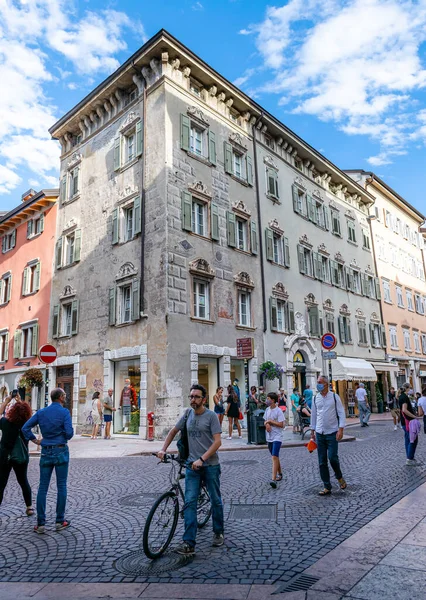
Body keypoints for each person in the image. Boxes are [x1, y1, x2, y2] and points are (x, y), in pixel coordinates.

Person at [157, 384, 224, 556]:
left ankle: (218, 531)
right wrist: (163, 449)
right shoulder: (187, 414)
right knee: (190, 503)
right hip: (192, 466)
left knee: (215, 499)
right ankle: (189, 543)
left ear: (204, 399)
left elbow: (217, 442)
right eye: (191, 396)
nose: (193, 400)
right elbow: (173, 431)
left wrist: (202, 459)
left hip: (210, 465)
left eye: (196, 397)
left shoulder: (211, 417)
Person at [22, 388, 74, 534]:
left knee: (43, 487)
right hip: (61, 450)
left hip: (46, 451)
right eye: (64, 395)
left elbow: (25, 428)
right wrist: (63, 434)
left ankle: (41, 524)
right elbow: (69, 433)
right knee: (61, 486)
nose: (65, 396)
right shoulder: (64, 412)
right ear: (61, 398)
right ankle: (59, 521)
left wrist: (35, 440)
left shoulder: (41, 412)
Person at [310, 375, 346, 495]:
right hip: (320, 433)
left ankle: (339, 476)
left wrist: (341, 429)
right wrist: (312, 431)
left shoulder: (334, 397)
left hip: (332, 432)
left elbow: (341, 413)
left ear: (326, 384)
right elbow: (313, 415)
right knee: (322, 461)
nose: (318, 384)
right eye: (317, 382)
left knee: (332, 457)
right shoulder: (316, 398)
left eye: (320, 382)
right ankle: (327, 486)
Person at [0, 401, 35, 516]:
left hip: (5, 457)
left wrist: (7, 400)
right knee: (23, 481)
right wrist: (20, 401)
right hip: (21, 457)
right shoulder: (26, 426)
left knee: (2, 483)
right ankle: (29, 507)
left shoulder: (5, 423)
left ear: (12, 411)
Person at [264, 392, 284, 488]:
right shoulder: (267, 410)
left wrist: (270, 421)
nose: (266, 400)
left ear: (273, 400)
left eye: (268, 398)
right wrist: (267, 424)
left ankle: (273, 479)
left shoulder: (278, 411)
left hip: (277, 436)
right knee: (274, 456)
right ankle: (280, 473)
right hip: (269, 437)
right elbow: (265, 420)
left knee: (274, 457)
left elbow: (281, 424)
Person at [399, 382, 421, 466]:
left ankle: (409, 457)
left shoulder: (401, 396)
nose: (411, 390)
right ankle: (410, 458)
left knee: (408, 439)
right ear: (407, 388)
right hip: (409, 421)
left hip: (404, 421)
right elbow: (404, 410)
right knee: (413, 440)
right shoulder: (404, 397)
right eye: (410, 388)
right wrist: (414, 416)